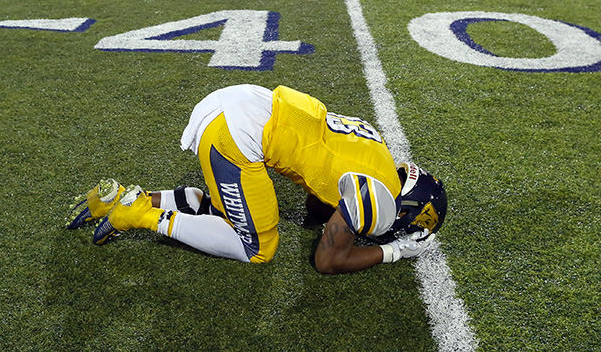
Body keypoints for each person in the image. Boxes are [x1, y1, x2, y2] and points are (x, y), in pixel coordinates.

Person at [66, 84, 446, 273]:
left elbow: (318, 198)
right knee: (258, 249)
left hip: (243, 101)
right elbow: (327, 260)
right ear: (406, 212)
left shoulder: (378, 149)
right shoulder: (378, 199)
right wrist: (393, 251)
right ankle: (141, 216)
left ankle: (123, 198)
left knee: (220, 207)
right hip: (236, 135)